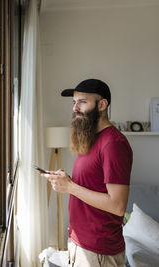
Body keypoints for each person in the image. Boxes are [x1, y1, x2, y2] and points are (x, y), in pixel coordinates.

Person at [41, 79, 133, 267]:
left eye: (82, 101)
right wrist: (66, 181)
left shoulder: (113, 143)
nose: (75, 108)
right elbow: (91, 185)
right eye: (74, 102)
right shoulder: (92, 139)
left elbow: (117, 205)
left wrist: (71, 187)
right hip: (80, 243)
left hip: (99, 251)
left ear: (102, 104)